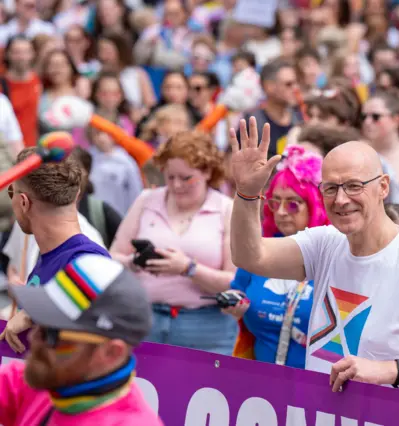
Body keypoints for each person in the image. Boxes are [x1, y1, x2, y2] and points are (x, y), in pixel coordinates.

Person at [228, 117, 399, 393]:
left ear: (383, 187)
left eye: (354, 186)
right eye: (330, 188)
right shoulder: (325, 243)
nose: (341, 200)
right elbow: (250, 256)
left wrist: (389, 370)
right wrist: (247, 193)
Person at [110, 130, 237, 354]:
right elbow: (111, 258)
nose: (177, 185)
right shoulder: (146, 200)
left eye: (186, 178)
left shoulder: (226, 209)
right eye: (170, 177)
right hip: (144, 319)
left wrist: (188, 268)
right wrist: (133, 262)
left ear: (207, 171)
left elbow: (235, 282)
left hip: (207, 327)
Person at [0, 254, 163, 425]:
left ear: (111, 352)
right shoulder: (47, 377)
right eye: (38, 322)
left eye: (52, 333)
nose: (34, 337)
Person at [1, 140, 111, 353]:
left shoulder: (88, 256)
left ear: (23, 202)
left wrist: (32, 312)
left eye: (10, 193)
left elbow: (99, 281)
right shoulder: (52, 253)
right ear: (77, 193)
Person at [223, 146, 329, 368]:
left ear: (315, 205)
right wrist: (234, 303)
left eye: (292, 204)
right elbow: (239, 289)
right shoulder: (259, 248)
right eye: (274, 202)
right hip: (259, 385)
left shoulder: (333, 253)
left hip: (319, 388)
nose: (281, 212)